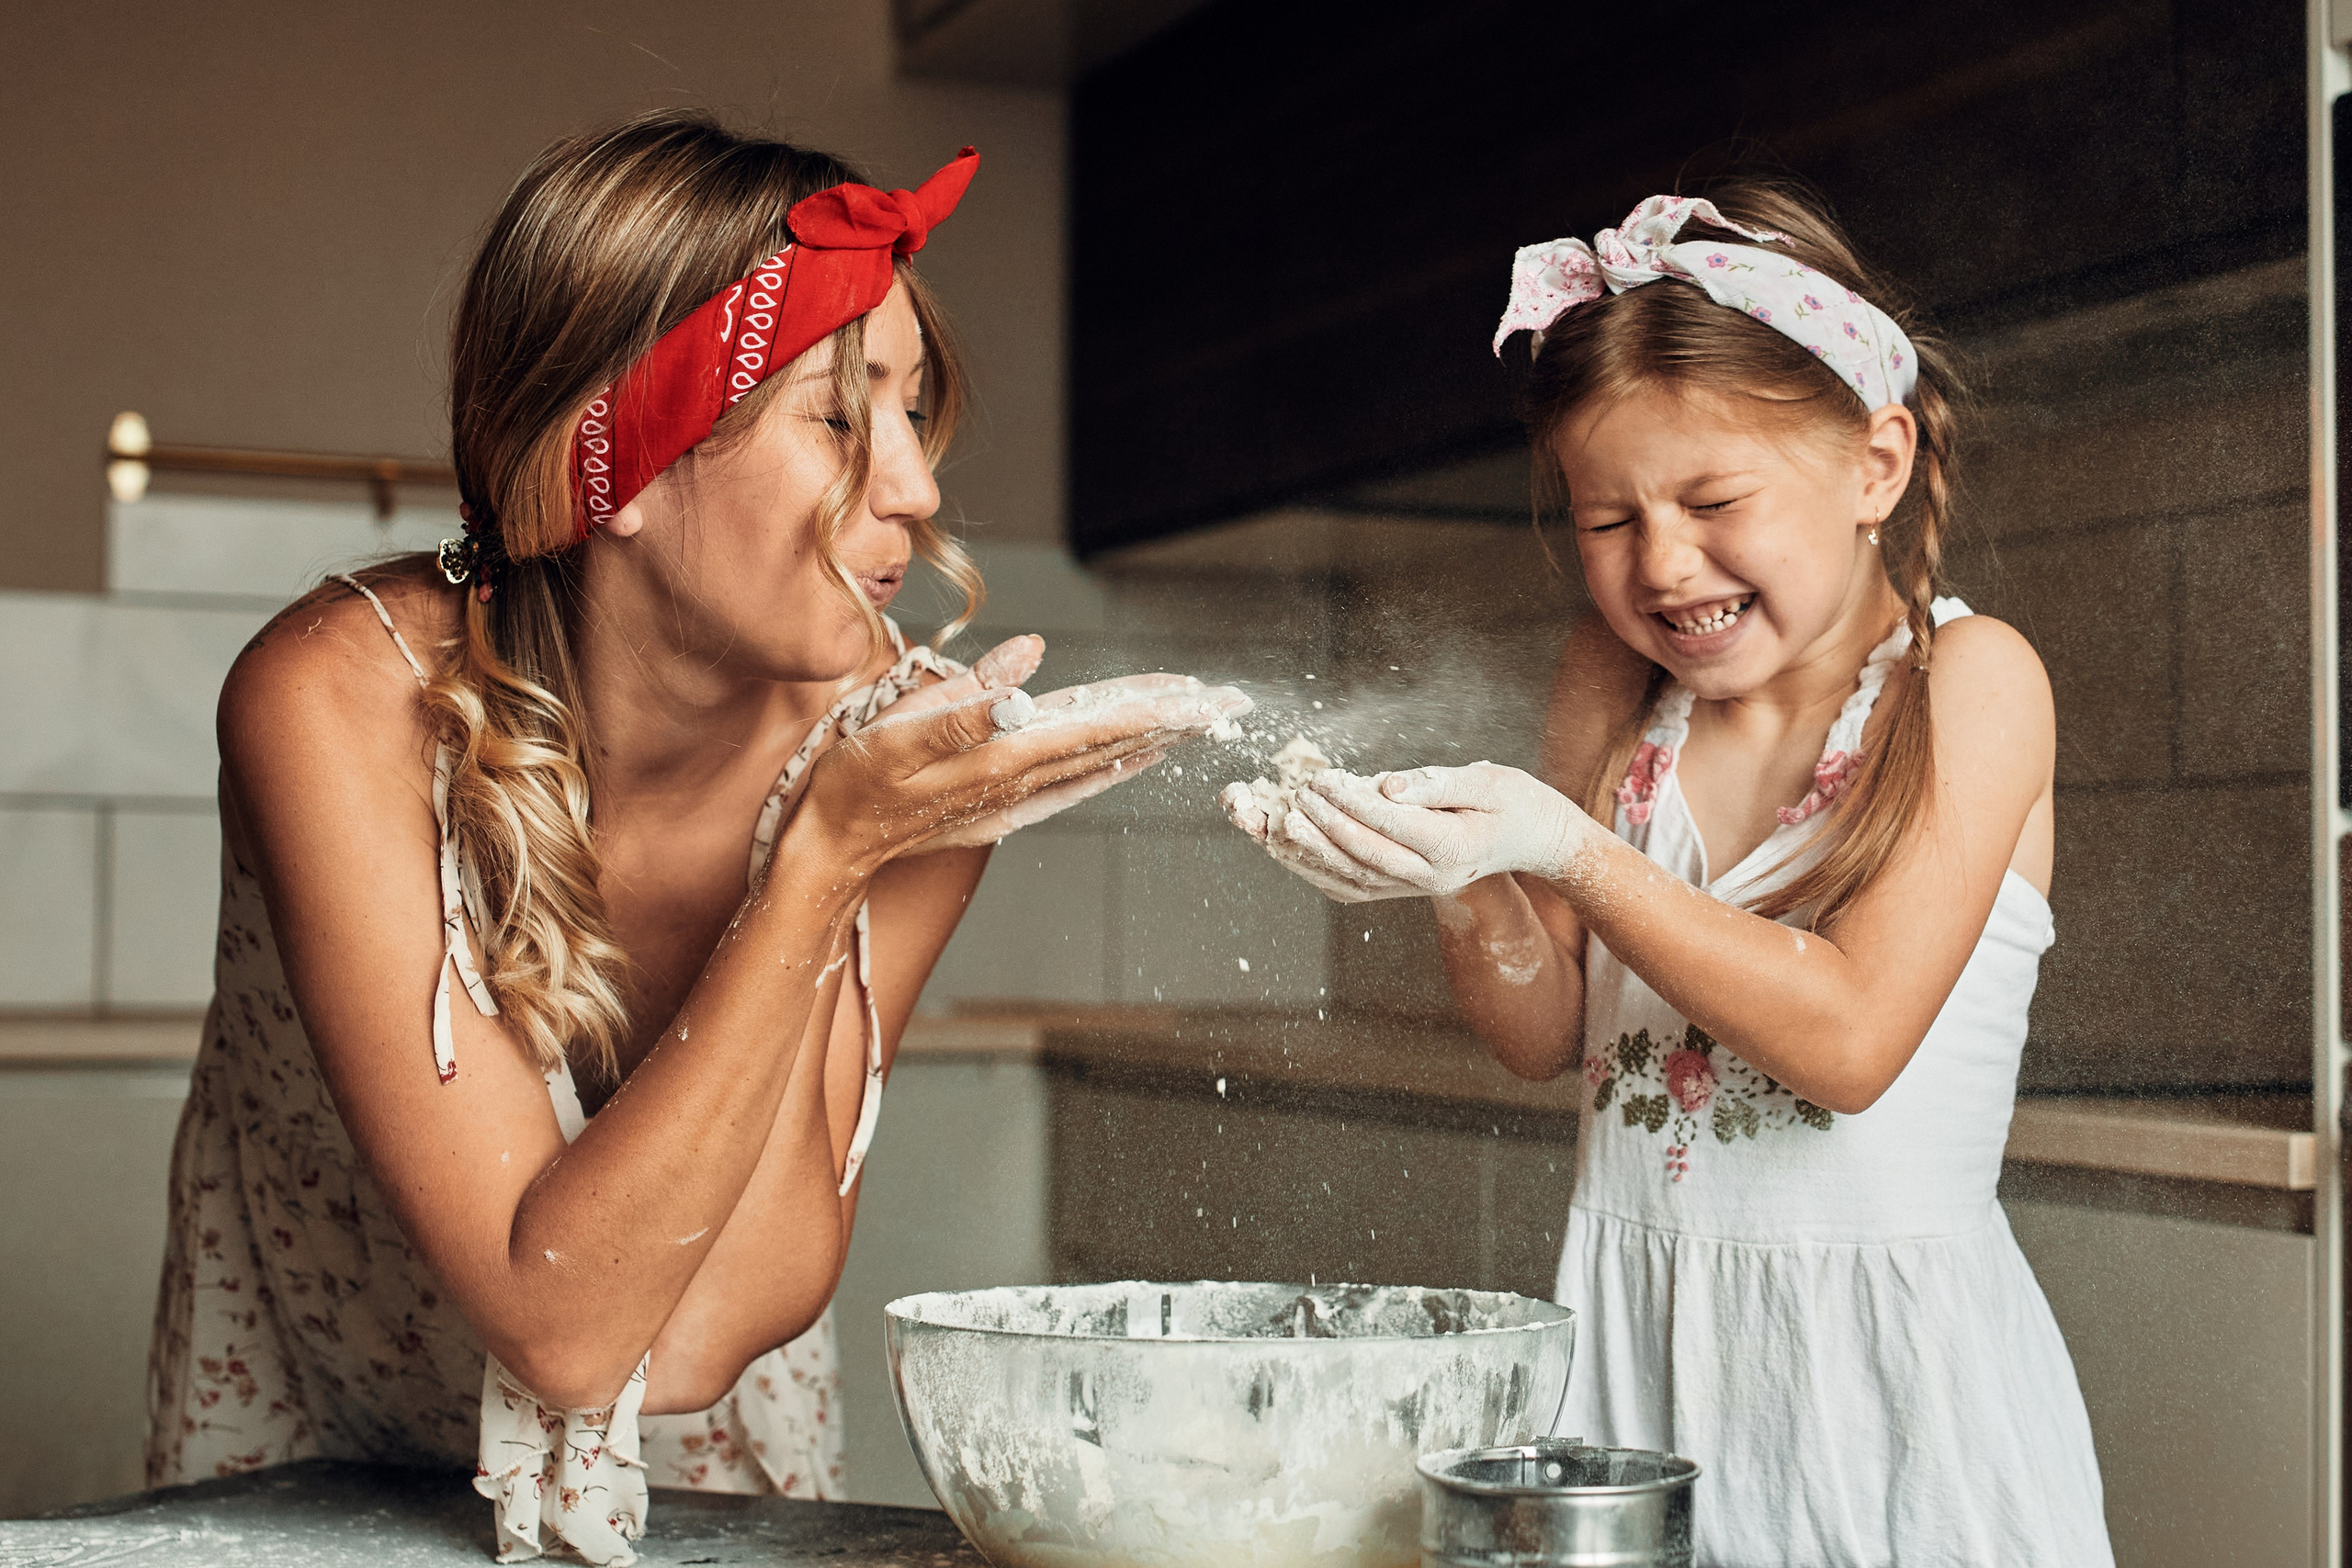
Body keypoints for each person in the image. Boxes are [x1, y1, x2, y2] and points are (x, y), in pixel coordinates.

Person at [145, 112, 1247, 1565]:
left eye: (915, 415)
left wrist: (830, 851)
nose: (914, 485)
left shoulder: (898, 770)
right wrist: (823, 865)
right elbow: (560, 1326)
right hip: (314, 1434)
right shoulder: (338, 703)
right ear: (627, 468)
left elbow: (695, 1340)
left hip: (690, 1468)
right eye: (843, 418)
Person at [1225, 187, 2110, 1566]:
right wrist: (1457, 876)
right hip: (1637, 1367)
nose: (1663, 564)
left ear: (1875, 466)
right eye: (1608, 518)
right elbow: (1543, 1035)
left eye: (1714, 501)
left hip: (1885, 1400)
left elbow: (1853, 1039)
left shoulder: (1971, 684)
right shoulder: (1619, 681)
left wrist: (1563, 846)